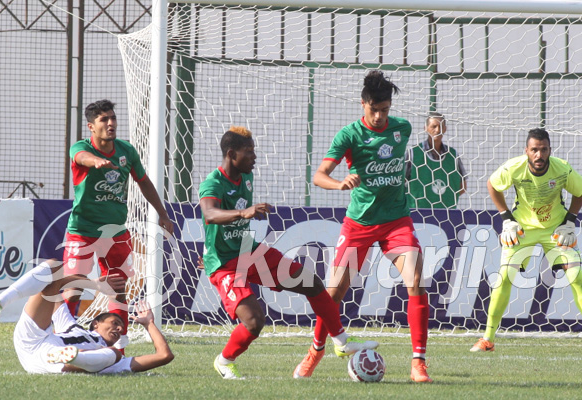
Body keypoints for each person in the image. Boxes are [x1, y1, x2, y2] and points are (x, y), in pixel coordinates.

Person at [199, 126, 378, 380]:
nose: (255, 157)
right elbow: (209, 214)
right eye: (248, 152)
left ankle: (341, 341)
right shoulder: (213, 183)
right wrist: (243, 213)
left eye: (254, 151)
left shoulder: (245, 176)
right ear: (231, 154)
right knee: (254, 322)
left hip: (249, 252)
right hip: (226, 264)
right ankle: (224, 360)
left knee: (312, 283)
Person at [309, 70, 432, 383]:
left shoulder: (401, 128)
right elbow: (319, 175)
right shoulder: (349, 136)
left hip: (396, 222)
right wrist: (339, 184)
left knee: (415, 279)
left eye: (385, 110)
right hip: (359, 223)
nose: (379, 116)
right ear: (362, 104)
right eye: (374, 109)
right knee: (333, 292)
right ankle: (316, 350)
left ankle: (418, 362)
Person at [470, 128, 582, 355]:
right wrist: (506, 219)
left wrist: (570, 222)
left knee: (576, 276)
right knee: (505, 276)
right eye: (534, 150)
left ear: (549, 150)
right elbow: (492, 185)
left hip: (555, 230)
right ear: (526, 151)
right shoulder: (514, 168)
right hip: (523, 230)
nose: (539, 155)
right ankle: (487, 337)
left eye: (543, 149)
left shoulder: (561, 169)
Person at [63, 99, 174, 342]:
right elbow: (81, 157)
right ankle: (62, 337)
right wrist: (96, 161)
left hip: (115, 233)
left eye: (113, 118)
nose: (111, 123)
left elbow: (143, 182)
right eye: (104, 119)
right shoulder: (80, 147)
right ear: (92, 126)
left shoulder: (127, 151)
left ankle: (118, 346)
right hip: (81, 231)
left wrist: (162, 214)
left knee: (119, 289)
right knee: (73, 289)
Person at [0, 259, 174, 375]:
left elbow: (164, 356)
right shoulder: (70, 326)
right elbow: (59, 283)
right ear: (95, 324)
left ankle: (73, 357)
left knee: (116, 355)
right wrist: (95, 285)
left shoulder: (110, 356)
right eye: (115, 323)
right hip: (34, 343)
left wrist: (149, 324)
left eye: (121, 327)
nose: (119, 329)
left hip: (53, 360)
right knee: (54, 266)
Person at [405, 112, 467, 208]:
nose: (437, 130)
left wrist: (446, 197)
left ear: (445, 129)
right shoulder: (413, 153)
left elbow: (462, 186)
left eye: (441, 127)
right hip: (418, 214)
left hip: (447, 213)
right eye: (434, 126)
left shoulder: (453, 155)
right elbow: (399, 183)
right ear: (425, 128)